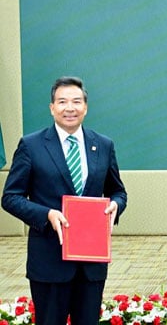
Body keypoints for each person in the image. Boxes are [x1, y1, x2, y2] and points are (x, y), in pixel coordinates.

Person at [1, 76, 128, 325]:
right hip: (48, 260)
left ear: (85, 107)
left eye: (76, 101)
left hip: (91, 264)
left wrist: (116, 205)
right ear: (52, 108)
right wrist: (46, 214)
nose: (70, 108)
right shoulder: (31, 145)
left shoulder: (103, 145)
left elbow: (118, 191)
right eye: (62, 102)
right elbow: (10, 197)